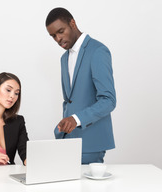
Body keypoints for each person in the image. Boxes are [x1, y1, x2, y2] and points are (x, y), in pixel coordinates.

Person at [45, 8, 116, 164]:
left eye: (61, 31)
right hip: (67, 141)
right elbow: (69, 100)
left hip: (91, 141)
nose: (58, 39)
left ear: (72, 23)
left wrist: (76, 119)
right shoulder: (64, 58)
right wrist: (63, 128)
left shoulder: (97, 51)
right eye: (53, 36)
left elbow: (108, 100)